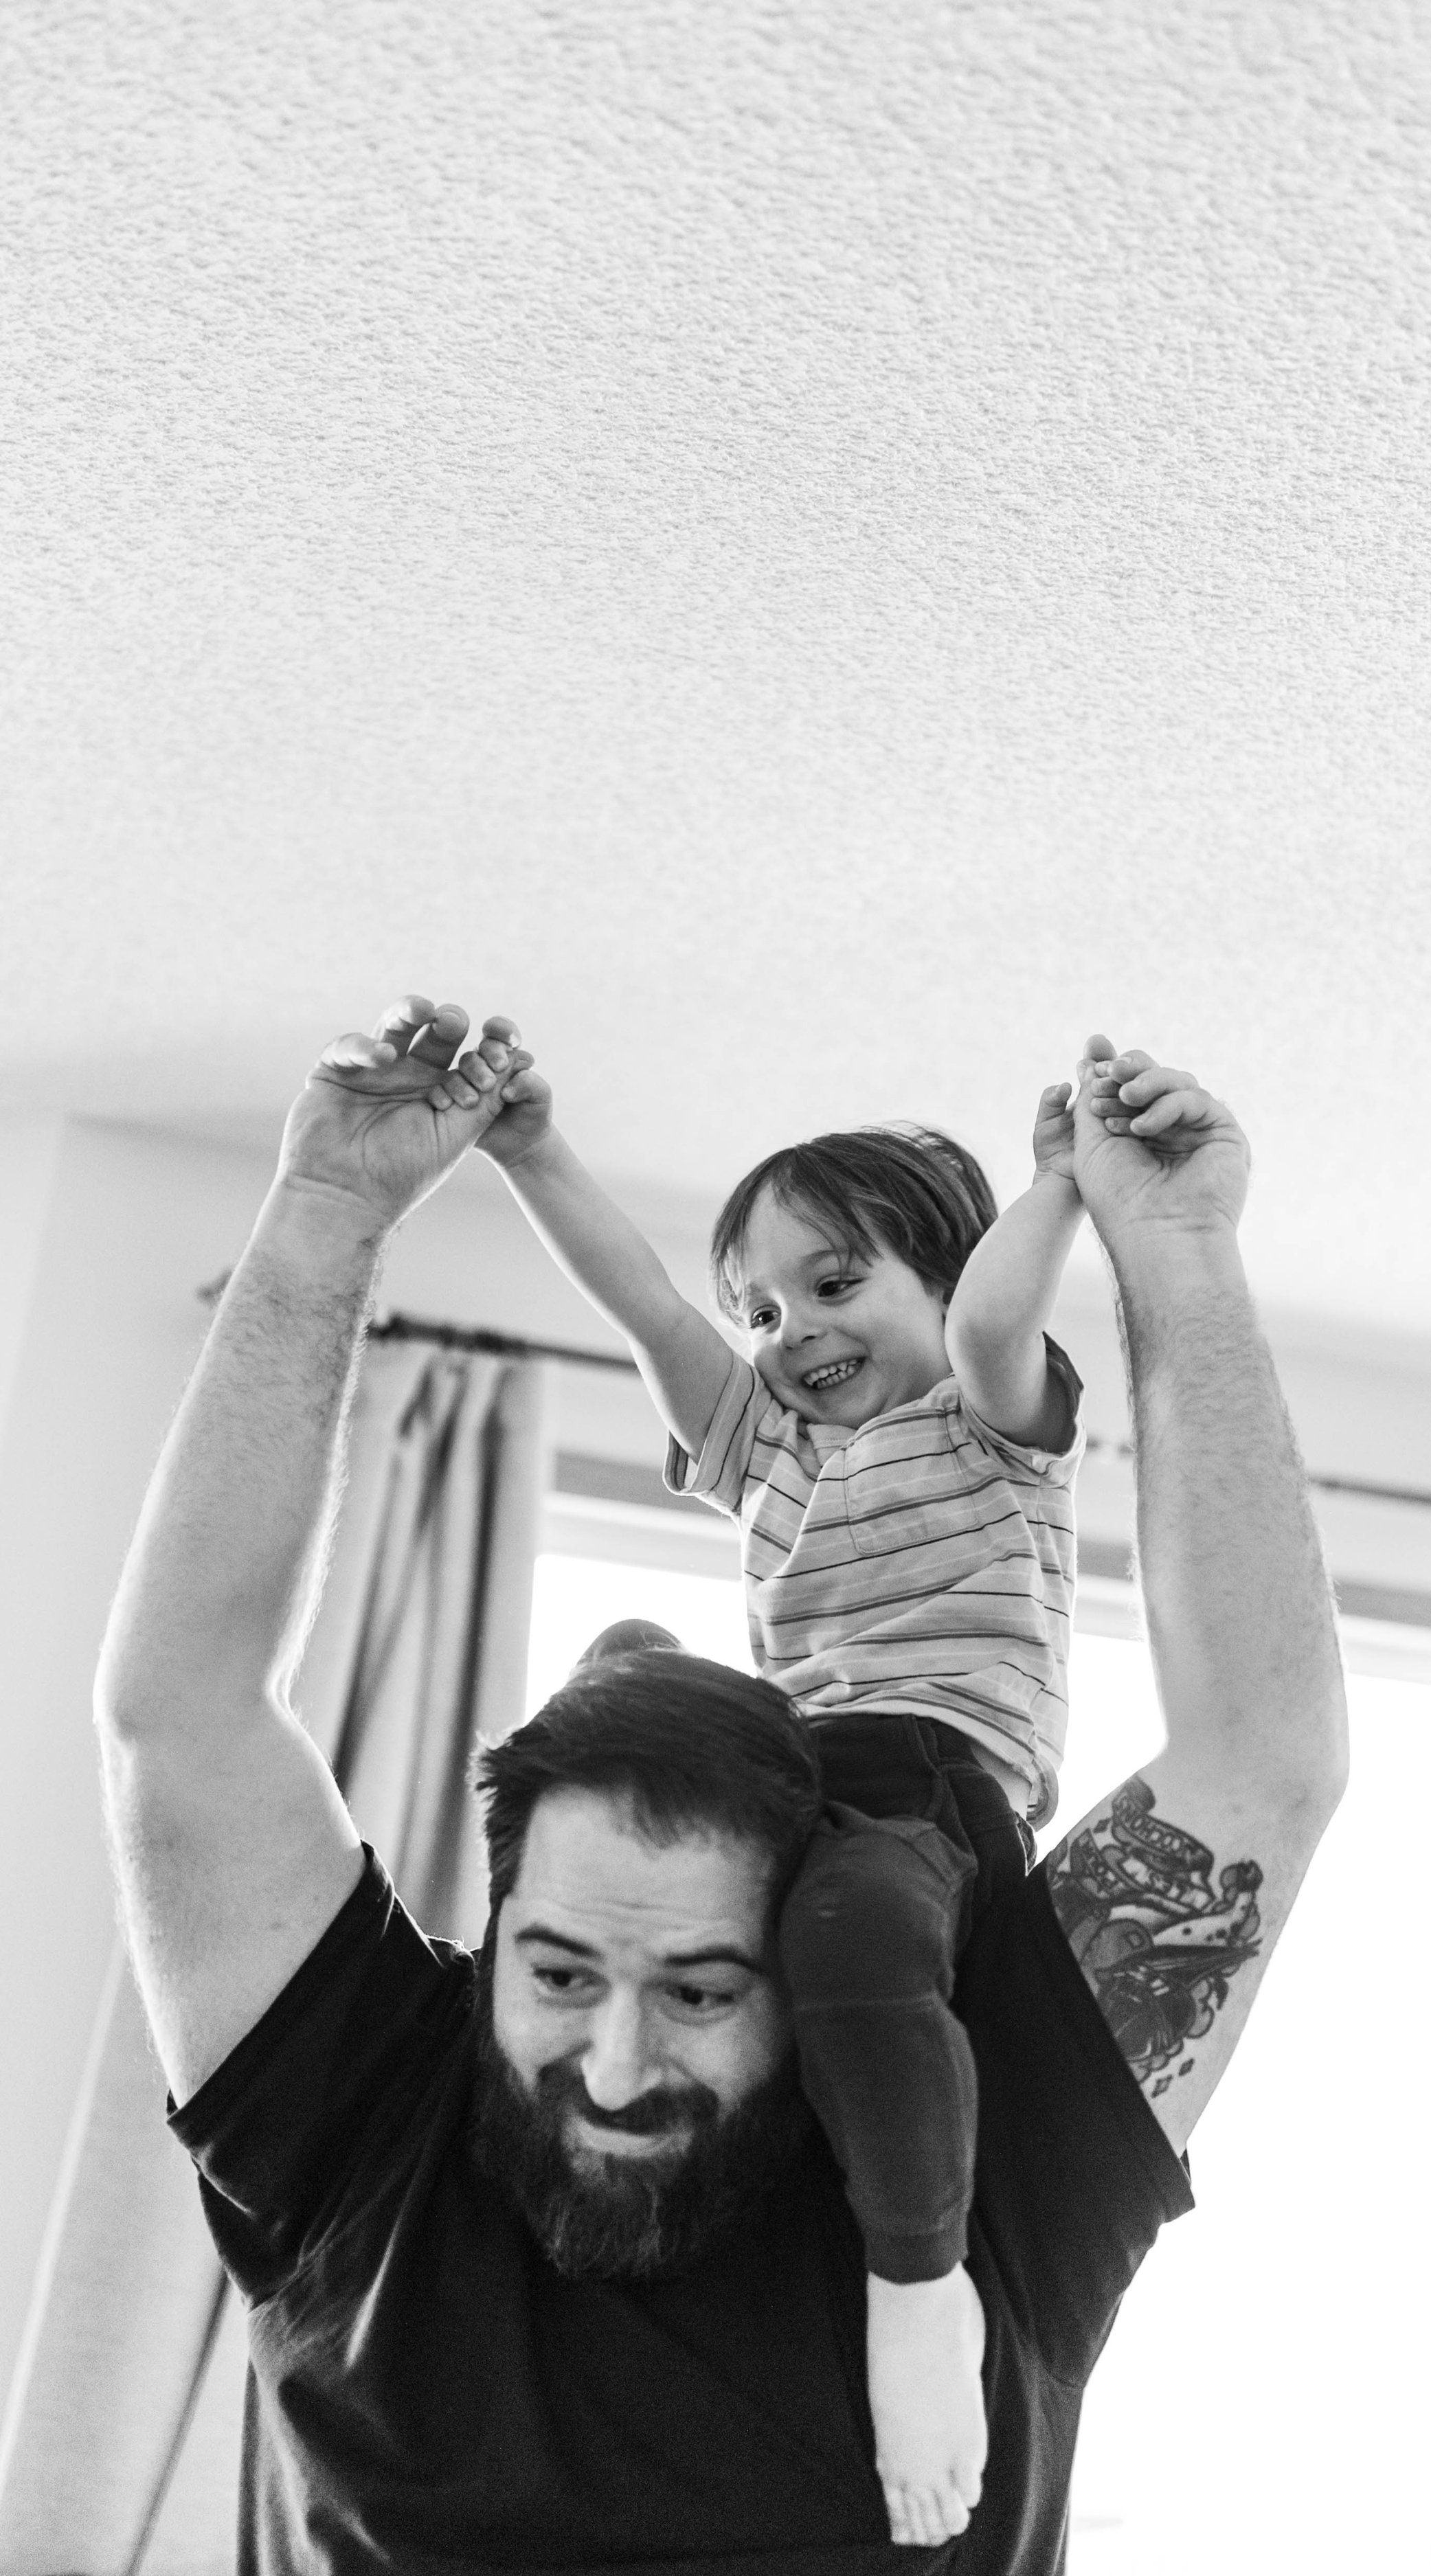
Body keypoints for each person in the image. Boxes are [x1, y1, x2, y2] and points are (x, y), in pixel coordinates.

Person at [95, 994, 1348, 2575]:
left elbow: (1259, 1754)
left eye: (699, 1989)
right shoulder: (366, 2136)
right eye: (560, 1973)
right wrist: (326, 1208)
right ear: (493, 1939)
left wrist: (1171, 1250)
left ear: (790, 1943)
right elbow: (182, 1712)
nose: (616, 2067)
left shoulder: (990, 2146)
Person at [467, 1045, 1089, 2542]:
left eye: (833, 1282)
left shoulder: (986, 1420)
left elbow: (994, 1313)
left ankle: (914, 2282)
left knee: (851, 1931)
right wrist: (530, 1150)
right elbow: (644, 1306)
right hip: (791, 1774)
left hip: (927, 1791)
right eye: (762, 1308)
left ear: (944, 1278)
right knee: (630, 1676)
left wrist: (1060, 1184)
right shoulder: (767, 1447)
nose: (789, 1328)